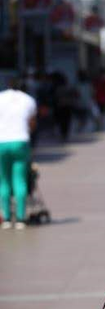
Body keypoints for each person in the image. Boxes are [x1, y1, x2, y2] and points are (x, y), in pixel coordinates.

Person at [0, 78, 37, 230]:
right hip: (21, 141)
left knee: (3, 181)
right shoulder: (28, 100)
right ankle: (21, 219)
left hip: (1, 142)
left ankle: (7, 218)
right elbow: (32, 124)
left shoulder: (1, 97)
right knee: (20, 179)